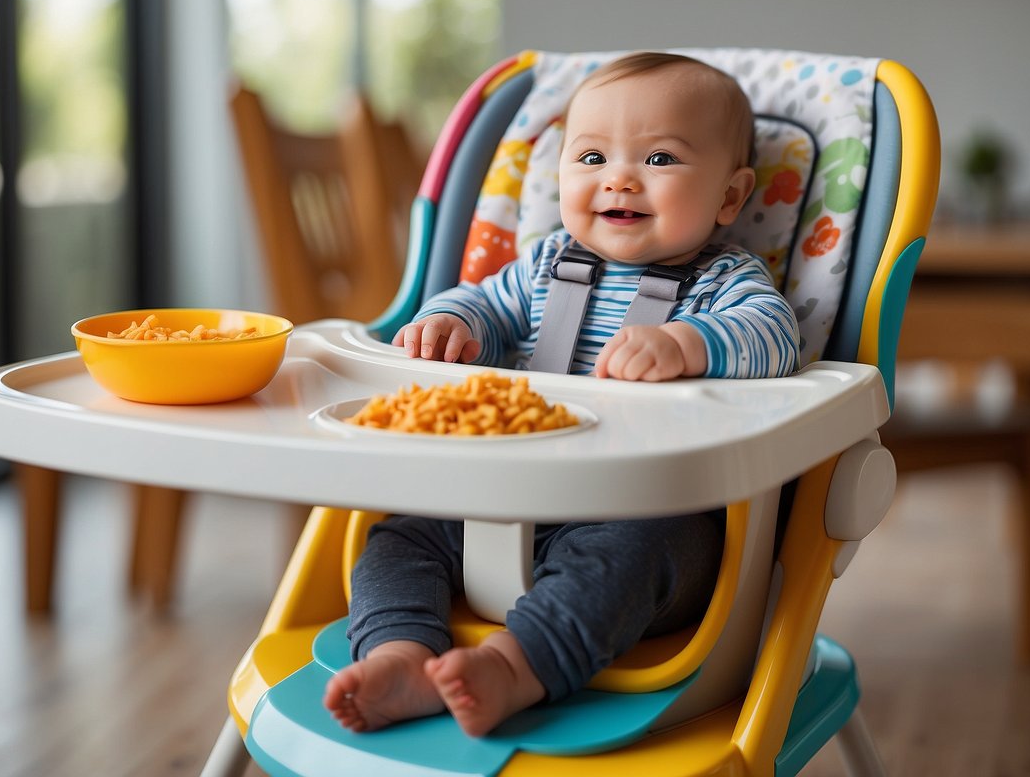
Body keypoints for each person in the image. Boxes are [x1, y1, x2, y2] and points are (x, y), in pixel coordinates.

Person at [322, 52, 800, 738]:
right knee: (398, 539)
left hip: (645, 510)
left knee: (634, 560)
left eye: (660, 159)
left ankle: (514, 669)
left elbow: (772, 335)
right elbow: (485, 305)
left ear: (730, 196)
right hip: (501, 493)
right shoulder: (547, 265)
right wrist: (454, 325)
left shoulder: (723, 282)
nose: (620, 179)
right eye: (591, 158)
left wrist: (687, 344)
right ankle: (402, 656)